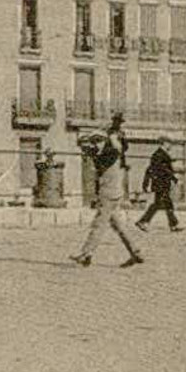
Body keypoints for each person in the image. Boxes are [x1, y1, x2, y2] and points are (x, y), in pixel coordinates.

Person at [72, 113, 144, 268]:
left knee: (99, 224)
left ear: (105, 141)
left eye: (98, 141)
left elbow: (111, 154)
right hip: (114, 193)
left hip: (108, 193)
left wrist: (112, 136)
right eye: (94, 142)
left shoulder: (110, 153)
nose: (96, 144)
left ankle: (86, 254)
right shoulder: (107, 153)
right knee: (119, 225)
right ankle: (135, 252)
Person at [137, 145, 182, 233]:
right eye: (169, 143)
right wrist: (173, 177)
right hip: (161, 183)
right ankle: (143, 221)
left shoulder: (160, 154)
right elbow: (163, 169)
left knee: (166, 204)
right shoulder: (159, 154)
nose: (170, 145)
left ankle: (173, 225)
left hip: (161, 183)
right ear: (164, 143)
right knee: (159, 204)